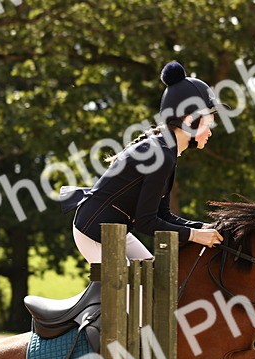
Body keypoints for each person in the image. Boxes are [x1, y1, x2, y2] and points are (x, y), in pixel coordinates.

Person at [70, 61, 225, 264]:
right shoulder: (161, 155)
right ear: (188, 120)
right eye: (208, 122)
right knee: (128, 291)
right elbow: (146, 222)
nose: (211, 131)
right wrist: (194, 236)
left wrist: (201, 227)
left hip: (115, 229)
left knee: (152, 285)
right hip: (92, 231)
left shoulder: (167, 151)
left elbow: (163, 215)